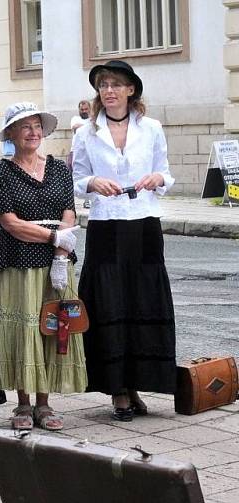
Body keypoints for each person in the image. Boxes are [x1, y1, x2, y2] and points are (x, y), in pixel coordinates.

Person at [72, 59, 176, 421]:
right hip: (106, 224)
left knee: (141, 298)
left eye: (116, 84)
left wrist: (156, 179)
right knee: (110, 301)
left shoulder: (151, 128)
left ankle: (137, 383)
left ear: (131, 90)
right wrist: (92, 183)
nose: (110, 91)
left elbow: (166, 172)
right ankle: (117, 390)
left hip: (144, 222)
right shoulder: (86, 132)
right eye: (104, 85)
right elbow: (76, 178)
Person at [0, 102, 88, 431]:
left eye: (36, 126)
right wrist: (53, 235)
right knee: (23, 327)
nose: (32, 132)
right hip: (19, 259)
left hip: (57, 258)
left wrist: (60, 254)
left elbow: (69, 213)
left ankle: (45, 403)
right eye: (24, 126)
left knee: (54, 325)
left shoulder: (59, 169)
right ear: (11, 134)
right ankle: (23, 403)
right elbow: (10, 223)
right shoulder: (0, 173)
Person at [69, 99, 92, 206]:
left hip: (89, 152)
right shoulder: (75, 119)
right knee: (72, 176)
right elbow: (75, 127)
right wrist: (89, 127)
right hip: (74, 151)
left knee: (88, 177)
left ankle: (87, 200)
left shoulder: (93, 120)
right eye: (81, 109)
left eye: (86, 109)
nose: (83, 111)